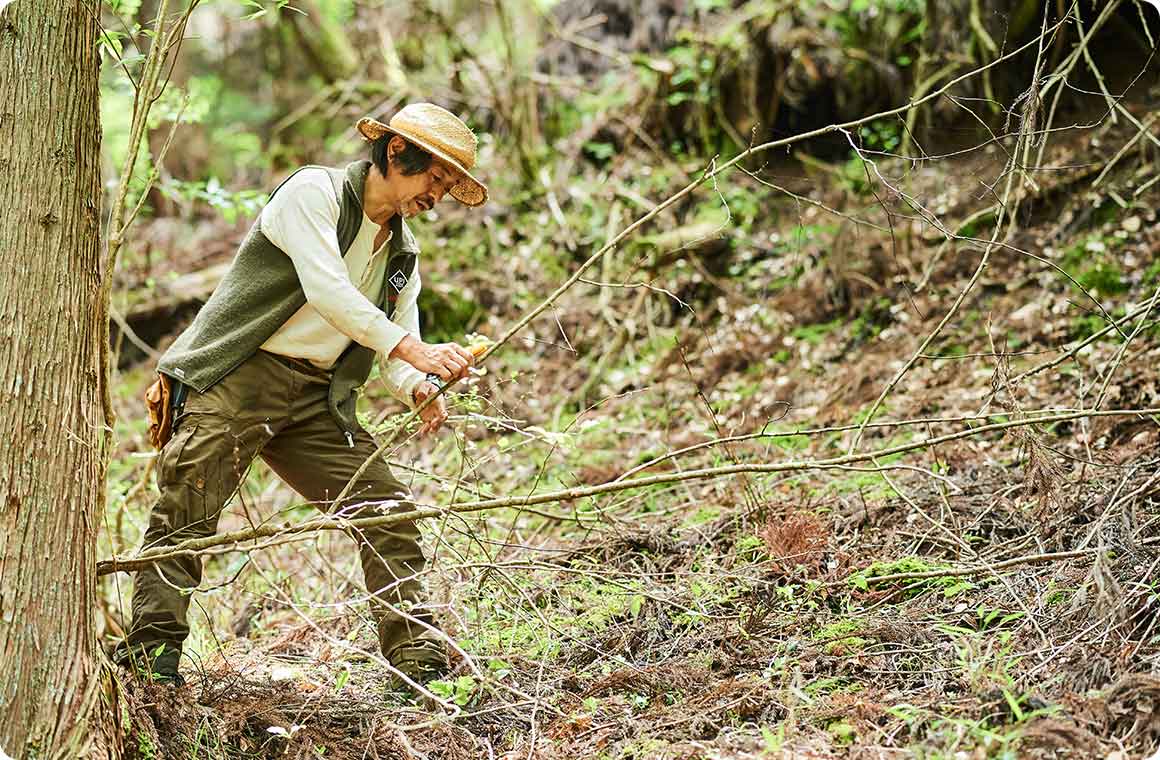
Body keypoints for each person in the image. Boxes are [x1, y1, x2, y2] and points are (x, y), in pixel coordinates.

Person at [113, 103, 488, 689]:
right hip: (237, 375)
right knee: (186, 509)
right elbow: (328, 291)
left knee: (388, 512)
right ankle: (151, 666)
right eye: (432, 178)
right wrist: (414, 353)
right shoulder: (314, 193)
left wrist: (421, 384)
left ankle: (420, 670)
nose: (436, 196)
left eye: (446, 186)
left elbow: (401, 340)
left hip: (318, 397)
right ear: (394, 154)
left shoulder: (402, 255)